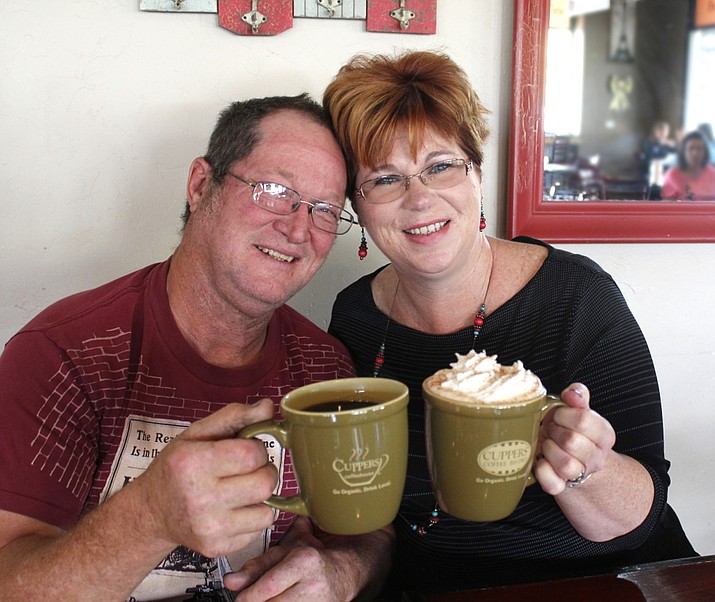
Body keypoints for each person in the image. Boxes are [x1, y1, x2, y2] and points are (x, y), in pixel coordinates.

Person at [322, 50, 697, 596]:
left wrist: (586, 466)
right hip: (432, 583)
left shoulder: (575, 297)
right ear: (357, 203)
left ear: (476, 171)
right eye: (385, 179)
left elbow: (636, 518)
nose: (420, 198)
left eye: (441, 166)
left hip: (598, 579)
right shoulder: (354, 318)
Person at [0, 94, 394, 601]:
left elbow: (366, 534)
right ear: (200, 185)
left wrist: (342, 570)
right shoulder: (63, 356)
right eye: (275, 191)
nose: (298, 228)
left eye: (324, 210)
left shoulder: (324, 367)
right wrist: (150, 517)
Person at [662, 129, 715, 200]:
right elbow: (665, 205)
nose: (695, 153)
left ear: (705, 152)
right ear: (683, 152)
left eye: (699, 149)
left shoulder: (712, 173)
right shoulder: (673, 174)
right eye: (691, 148)